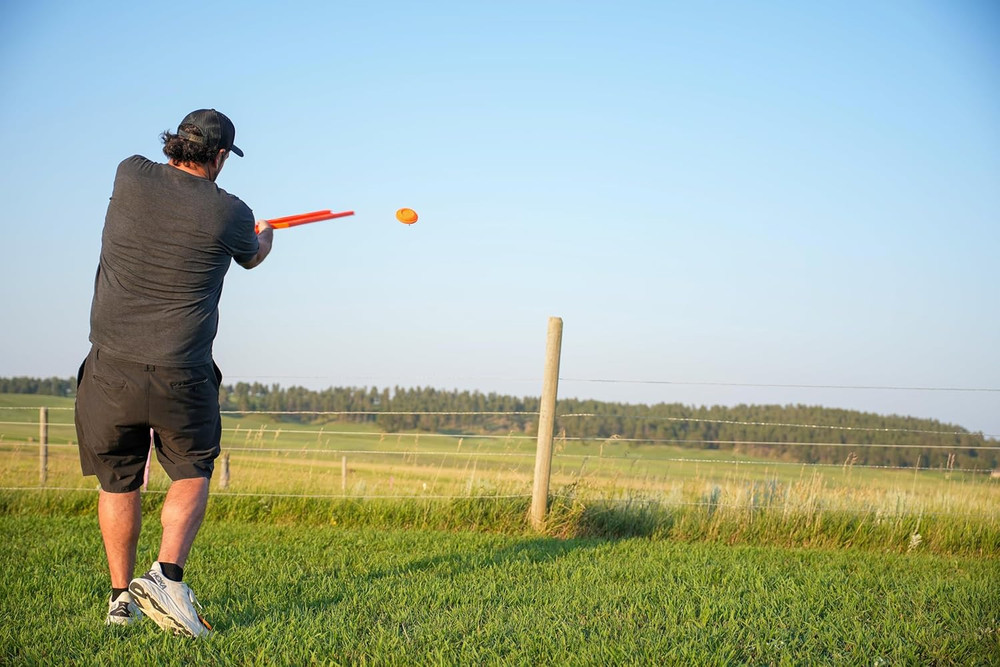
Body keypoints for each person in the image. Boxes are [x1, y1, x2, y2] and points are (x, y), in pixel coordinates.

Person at [74, 109, 273, 637]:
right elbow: (251, 257)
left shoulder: (128, 174)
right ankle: (165, 575)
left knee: (118, 480)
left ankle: (121, 598)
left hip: (109, 367)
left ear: (176, 142)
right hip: (181, 373)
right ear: (221, 156)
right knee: (191, 469)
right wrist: (265, 236)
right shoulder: (231, 212)